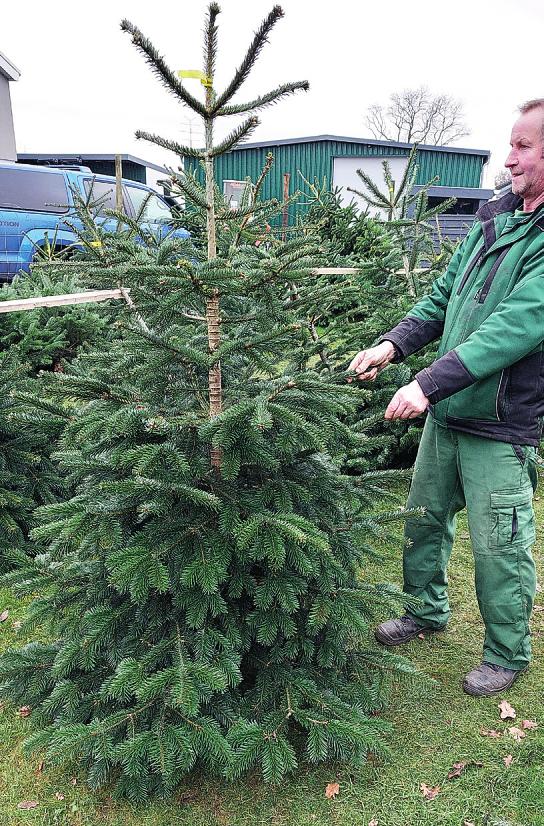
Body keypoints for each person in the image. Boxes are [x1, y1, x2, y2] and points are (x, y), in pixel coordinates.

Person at [349, 99, 544, 697]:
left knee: (499, 543)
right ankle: (424, 612)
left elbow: (510, 329)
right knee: (423, 520)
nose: (508, 157)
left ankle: (507, 652)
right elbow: (442, 297)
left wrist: (425, 384)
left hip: (501, 425)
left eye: (523, 146)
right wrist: (392, 345)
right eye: (509, 144)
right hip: (449, 415)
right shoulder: (493, 219)